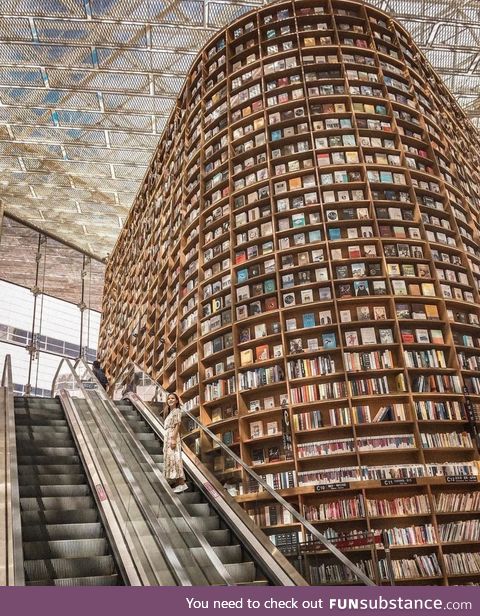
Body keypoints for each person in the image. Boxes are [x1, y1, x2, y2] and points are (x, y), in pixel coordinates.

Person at [163, 392, 188, 493]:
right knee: (172, 459)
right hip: (168, 438)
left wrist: (173, 439)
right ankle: (178, 483)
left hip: (172, 437)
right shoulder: (170, 413)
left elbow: (177, 425)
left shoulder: (177, 411)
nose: (170, 400)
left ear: (177, 400)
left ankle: (182, 483)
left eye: (173, 398)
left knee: (176, 459)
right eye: (169, 398)